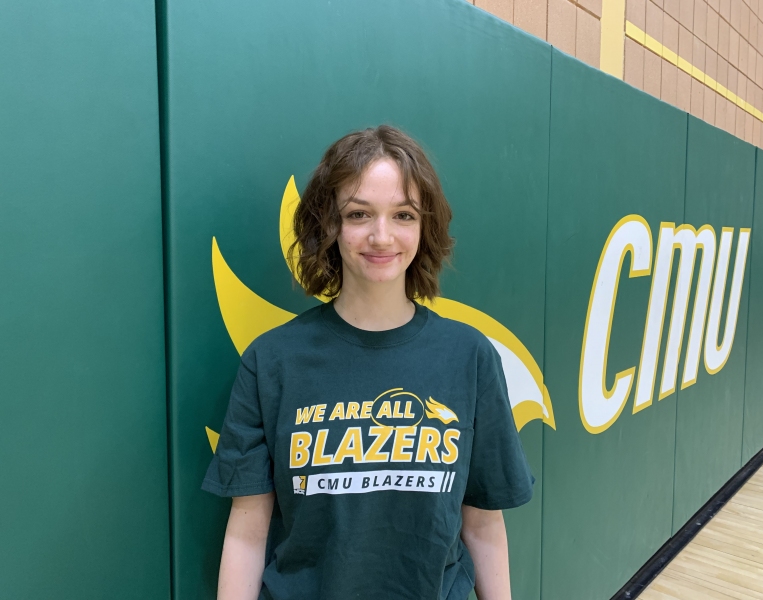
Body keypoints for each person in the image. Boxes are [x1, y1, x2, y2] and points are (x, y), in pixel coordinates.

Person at [202, 125, 534, 600]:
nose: (382, 236)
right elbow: (246, 531)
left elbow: (482, 523)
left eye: (403, 214)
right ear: (329, 225)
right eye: (359, 214)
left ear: (424, 226)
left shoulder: (469, 356)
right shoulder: (272, 361)